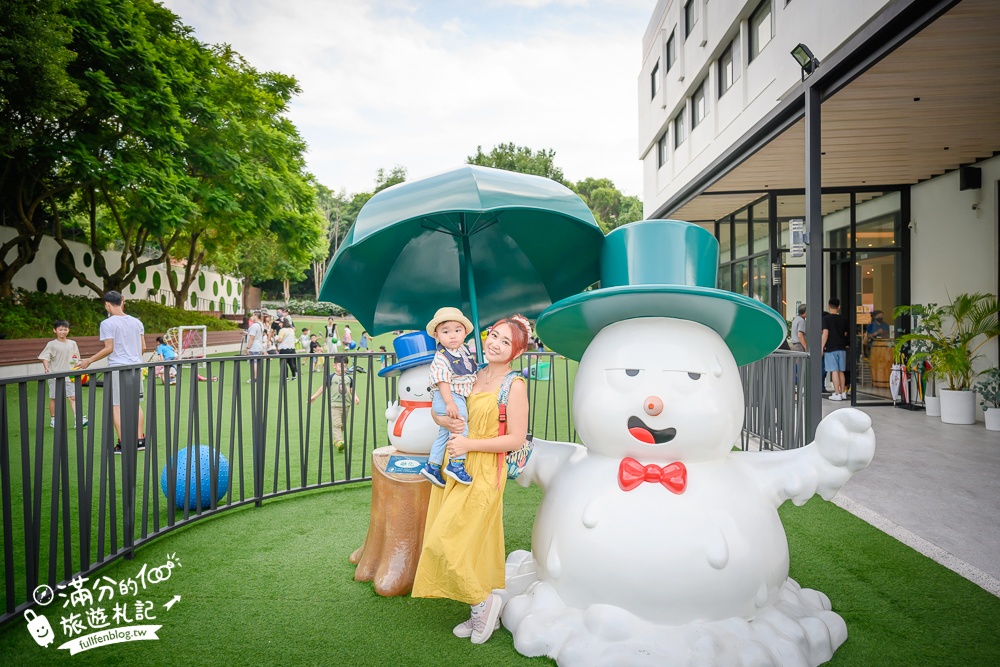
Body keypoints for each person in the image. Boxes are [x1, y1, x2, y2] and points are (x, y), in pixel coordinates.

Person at [411, 315, 532, 645]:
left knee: (447, 541)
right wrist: (444, 419)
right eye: (493, 335)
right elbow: (441, 411)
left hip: (483, 470)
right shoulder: (470, 372)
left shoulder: (514, 386)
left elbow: (516, 440)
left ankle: (485, 602)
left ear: (517, 352)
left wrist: (469, 444)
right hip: (456, 464)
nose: (495, 343)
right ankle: (480, 610)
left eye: (506, 341)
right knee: (463, 542)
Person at [77, 291, 146, 453]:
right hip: (136, 367)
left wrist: (88, 361)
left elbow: (109, 348)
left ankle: (122, 444)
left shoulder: (107, 323)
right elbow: (143, 347)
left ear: (107, 304)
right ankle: (140, 440)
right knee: (135, 404)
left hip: (118, 368)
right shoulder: (137, 322)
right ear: (122, 301)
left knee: (117, 406)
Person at [420, 307, 478, 487]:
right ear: (437, 336)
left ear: (465, 333)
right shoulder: (441, 357)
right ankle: (456, 464)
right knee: (460, 425)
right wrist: (449, 402)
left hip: (454, 396)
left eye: (457, 330)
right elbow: (442, 380)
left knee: (445, 434)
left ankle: (432, 466)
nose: (452, 336)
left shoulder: (463, 351)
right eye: (446, 332)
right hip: (447, 396)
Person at [37, 320, 86, 428]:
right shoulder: (51, 344)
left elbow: (75, 358)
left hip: (70, 376)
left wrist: (79, 365)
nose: (63, 332)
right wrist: (46, 369)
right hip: (55, 376)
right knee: (54, 398)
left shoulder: (73, 343)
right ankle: (53, 419)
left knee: (73, 397)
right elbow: (45, 357)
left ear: (68, 330)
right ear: (55, 330)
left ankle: (79, 419)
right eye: (60, 329)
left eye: (65, 329)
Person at [310, 355, 359, 452]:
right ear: (334, 365)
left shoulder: (349, 378)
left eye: (345, 366)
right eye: (340, 366)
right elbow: (323, 387)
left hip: (346, 405)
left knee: (342, 425)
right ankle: (339, 441)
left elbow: (352, 390)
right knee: (336, 423)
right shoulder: (331, 377)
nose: (343, 368)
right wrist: (314, 396)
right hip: (335, 405)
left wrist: (355, 397)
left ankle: (336, 438)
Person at [822, 298, 850, 401]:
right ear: (839, 307)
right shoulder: (844, 319)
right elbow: (845, 333)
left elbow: (825, 333)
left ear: (829, 306)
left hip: (830, 348)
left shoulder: (826, 319)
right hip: (842, 347)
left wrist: (821, 347)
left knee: (834, 371)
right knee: (841, 371)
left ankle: (837, 393)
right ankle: (843, 393)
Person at [245, 313, 265, 381]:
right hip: (259, 345)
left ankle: (254, 377)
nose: (252, 317)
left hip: (254, 346)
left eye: (253, 315)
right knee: (257, 362)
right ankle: (257, 377)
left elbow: (252, 337)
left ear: (256, 316)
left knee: (254, 362)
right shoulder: (261, 324)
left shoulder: (254, 325)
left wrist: (248, 347)